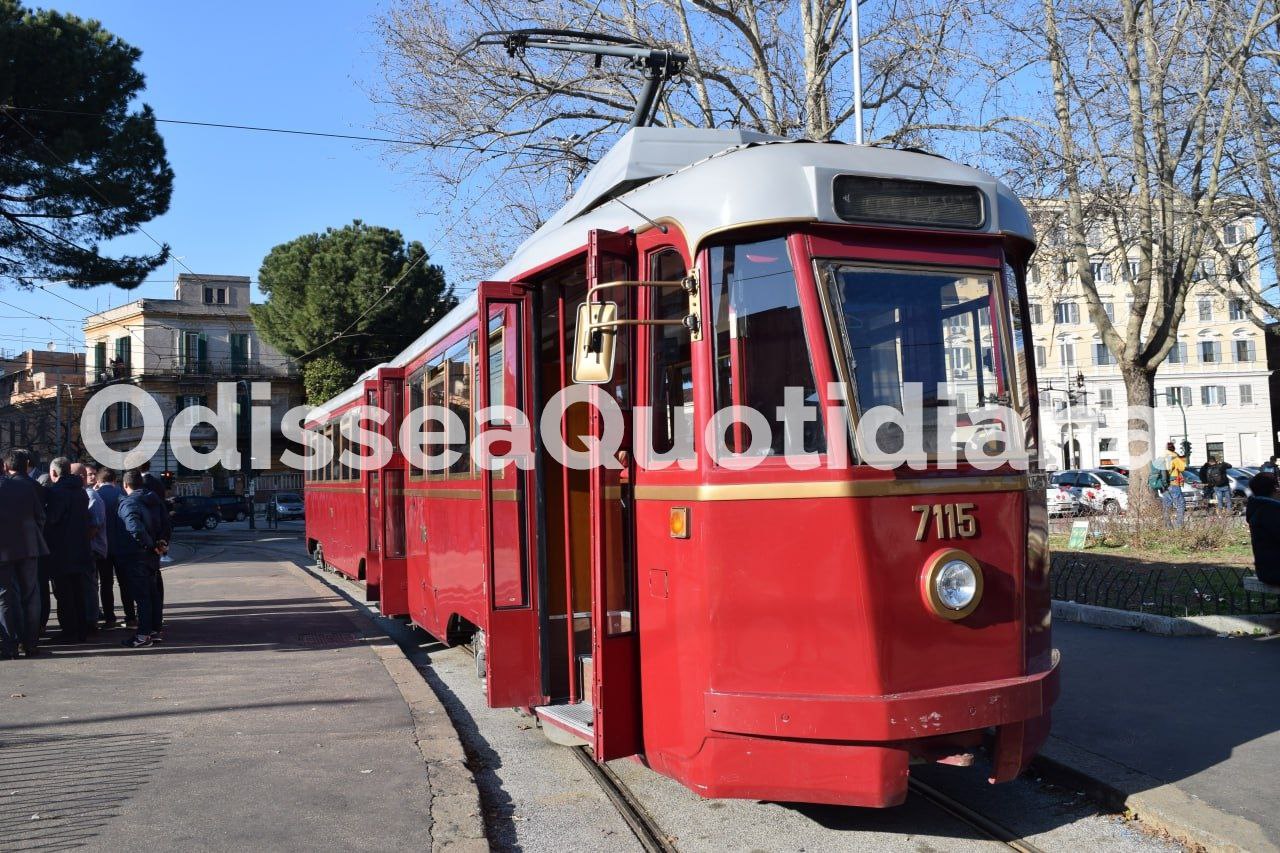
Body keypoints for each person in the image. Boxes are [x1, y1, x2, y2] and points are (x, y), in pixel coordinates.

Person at [0, 449, 49, 659]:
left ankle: (10, 645)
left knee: (5, 597)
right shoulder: (25, 485)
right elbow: (40, 517)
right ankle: (30, 644)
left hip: (3, 551)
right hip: (29, 547)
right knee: (31, 595)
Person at [42, 457, 94, 642]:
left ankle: (69, 631)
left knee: (64, 594)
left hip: (61, 551)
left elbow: (53, 520)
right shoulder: (80, 491)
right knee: (79, 592)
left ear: (54, 473)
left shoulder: (57, 493)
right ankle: (81, 629)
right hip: (81, 548)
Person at [118, 470, 167, 648]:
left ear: (125, 485)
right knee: (153, 595)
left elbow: (134, 528)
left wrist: (148, 544)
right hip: (153, 555)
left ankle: (143, 634)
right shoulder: (154, 500)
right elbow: (166, 523)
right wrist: (160, 543)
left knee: (142, 597)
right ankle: (154, 630)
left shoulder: (128, 503)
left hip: (136, 554)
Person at [93, 467, 132, 628]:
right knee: (125, 583)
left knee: (105, 583)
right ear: (115, 480)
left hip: (103, 547)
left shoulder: (96, 495)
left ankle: (110, 618)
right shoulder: (122, 494)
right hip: (122, 546)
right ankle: (130, 616)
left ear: (98, 481)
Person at [71, 462, 106, 630]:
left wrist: (81, 543)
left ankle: (91, 620)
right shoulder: (84, 494)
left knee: (89, 585)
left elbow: (94, 525)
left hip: (91, 548)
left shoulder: (90, 495)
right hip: (88, 547)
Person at [1245, 472, 1280, 585]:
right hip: (1274, 571)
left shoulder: (1259, 508)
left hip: (1267, 570)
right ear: (1275, 488)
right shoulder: (1270, 511)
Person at [1150, 442, 1187, 529]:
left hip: (1163, 485)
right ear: (1174, 449)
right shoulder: (1174, 457)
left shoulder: (1161, 457)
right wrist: (1180, 457)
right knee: (1180, 504)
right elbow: (1183, 467)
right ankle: (1179, 527)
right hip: (1173, 484)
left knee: (1167, 505)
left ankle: (1168, 527)